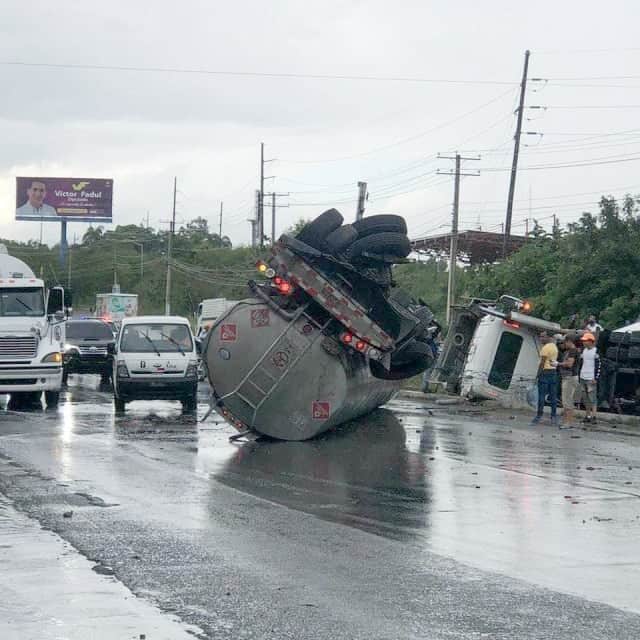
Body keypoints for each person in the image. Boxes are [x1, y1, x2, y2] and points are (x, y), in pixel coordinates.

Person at [531, 331, 559, 426]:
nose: (541, 338)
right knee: (553, 396)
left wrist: (537, 375)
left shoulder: (545, 348)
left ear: (548, 337)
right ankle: (553, 416)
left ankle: (539, 415)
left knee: (542, 395)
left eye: (543, 337)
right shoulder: (554, 347)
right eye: (540, 336)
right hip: (553, 372)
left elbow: (542, 363)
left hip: (545, 372)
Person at [579, 332, 600, 424]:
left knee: (592, 398)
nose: (583, 342)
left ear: (591, 341)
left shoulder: (596, 351)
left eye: (585, 341)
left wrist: (596, 377)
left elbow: (599, 365)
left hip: (591, 378)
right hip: (583, 376)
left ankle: (594, 416)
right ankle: (587, 415)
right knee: (585, 398)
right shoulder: (584, 351)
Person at [557, 335, 579, 428]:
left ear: (569, 341)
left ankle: (567, 422)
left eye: (565, 342)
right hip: (568, 377)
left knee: (567, 400)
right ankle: (567, 421)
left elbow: (570, 364)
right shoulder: (570, 351)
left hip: (569, 377)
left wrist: (558, 363)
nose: (564, 344)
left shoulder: (573, 351)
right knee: (567, 400)